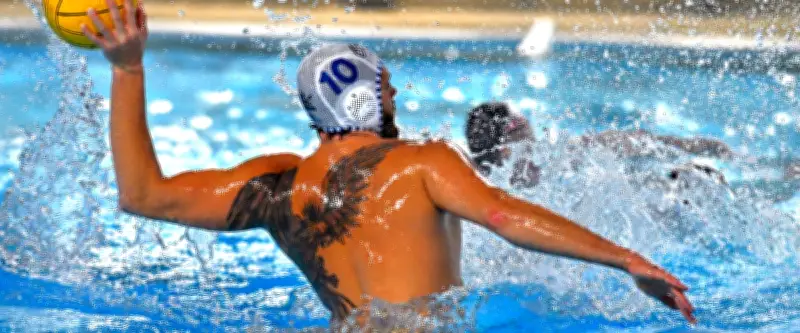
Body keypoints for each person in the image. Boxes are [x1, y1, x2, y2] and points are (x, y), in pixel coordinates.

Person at [82, 0, 696, 327]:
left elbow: (143, 195)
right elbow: (504, 217)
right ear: (364, 97)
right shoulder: (421, 162)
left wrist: (127, 68)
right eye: (388, 88)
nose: (396, 99)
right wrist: (627, 259)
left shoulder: (280, 186)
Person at [465, 102, 732, 189]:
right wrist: (696, 145)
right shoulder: (559, 159)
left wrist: (692, 145)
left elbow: (630, 142)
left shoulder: (474, 183)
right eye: (523, 121)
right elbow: (635, 142)